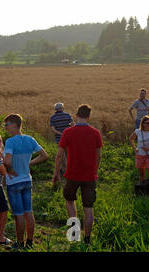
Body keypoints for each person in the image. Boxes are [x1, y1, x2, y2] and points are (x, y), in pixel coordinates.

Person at [52, 104, 103, 244]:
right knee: (88, 207)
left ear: (76, 115)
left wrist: (56, 173)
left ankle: (74, 233)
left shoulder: (68, 132)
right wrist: (95, 172)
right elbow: (99, 157)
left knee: (69, 201)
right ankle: (87, 238)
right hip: (89, 176)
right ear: (88, 116)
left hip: (72, 175)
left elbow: (59, 156)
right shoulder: (95, 133)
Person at [3, 113, 49, 250]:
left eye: (7, 125)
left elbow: (7, 161)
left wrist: (10, 169)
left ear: (14, 125)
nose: (5, 128)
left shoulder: (10, 142)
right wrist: (30, 163)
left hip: (14, 182)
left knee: (18, 214)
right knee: (29, 212)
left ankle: (19, 242)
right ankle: (29, 242)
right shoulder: (30, 140)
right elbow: (44, 155)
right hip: (27, 181)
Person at [49, 102, 74, 175]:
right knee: (69, 153)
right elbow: (73, 125)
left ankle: (65, 171)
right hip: (69, 138)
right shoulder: (67, 115)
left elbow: (53, 130)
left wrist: (61, 134)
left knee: (62, 155)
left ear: (55, 109)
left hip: (59, 139)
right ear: (62, 108)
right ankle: (71, 169)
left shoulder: (52, 117)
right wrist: (67, 132)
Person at [129, 115, 149, 183]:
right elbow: (131, 139)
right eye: (147, 123)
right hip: (140, 154)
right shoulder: (138, 131)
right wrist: (134, 148)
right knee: (141, 173)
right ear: (143, 124)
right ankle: (142, 188)